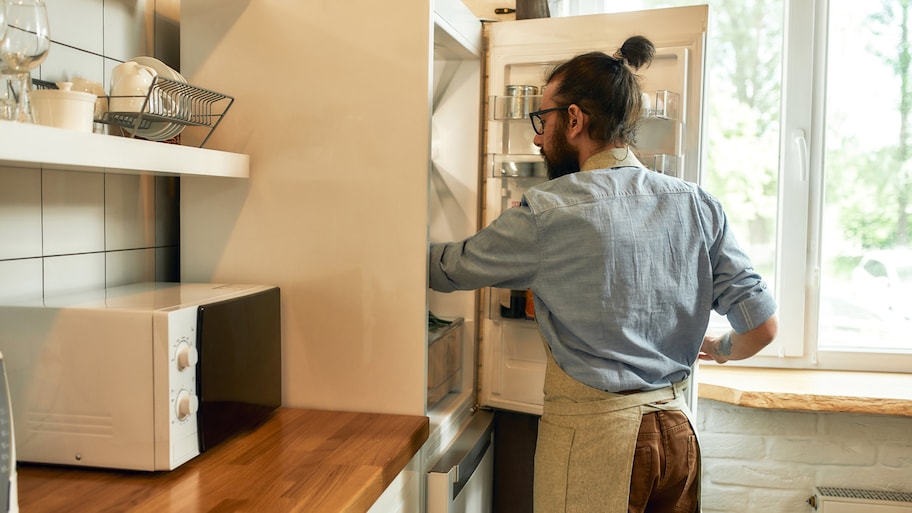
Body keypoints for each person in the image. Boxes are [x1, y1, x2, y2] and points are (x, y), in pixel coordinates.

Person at [428, 35, 778, 513]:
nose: (535, 135)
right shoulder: (698, 204)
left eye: (542, 119)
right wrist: (720, 350)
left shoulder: (551, 211)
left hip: (599, 443)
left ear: (574, 119)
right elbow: (762, 327)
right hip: (679, 435)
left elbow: (451, 268)